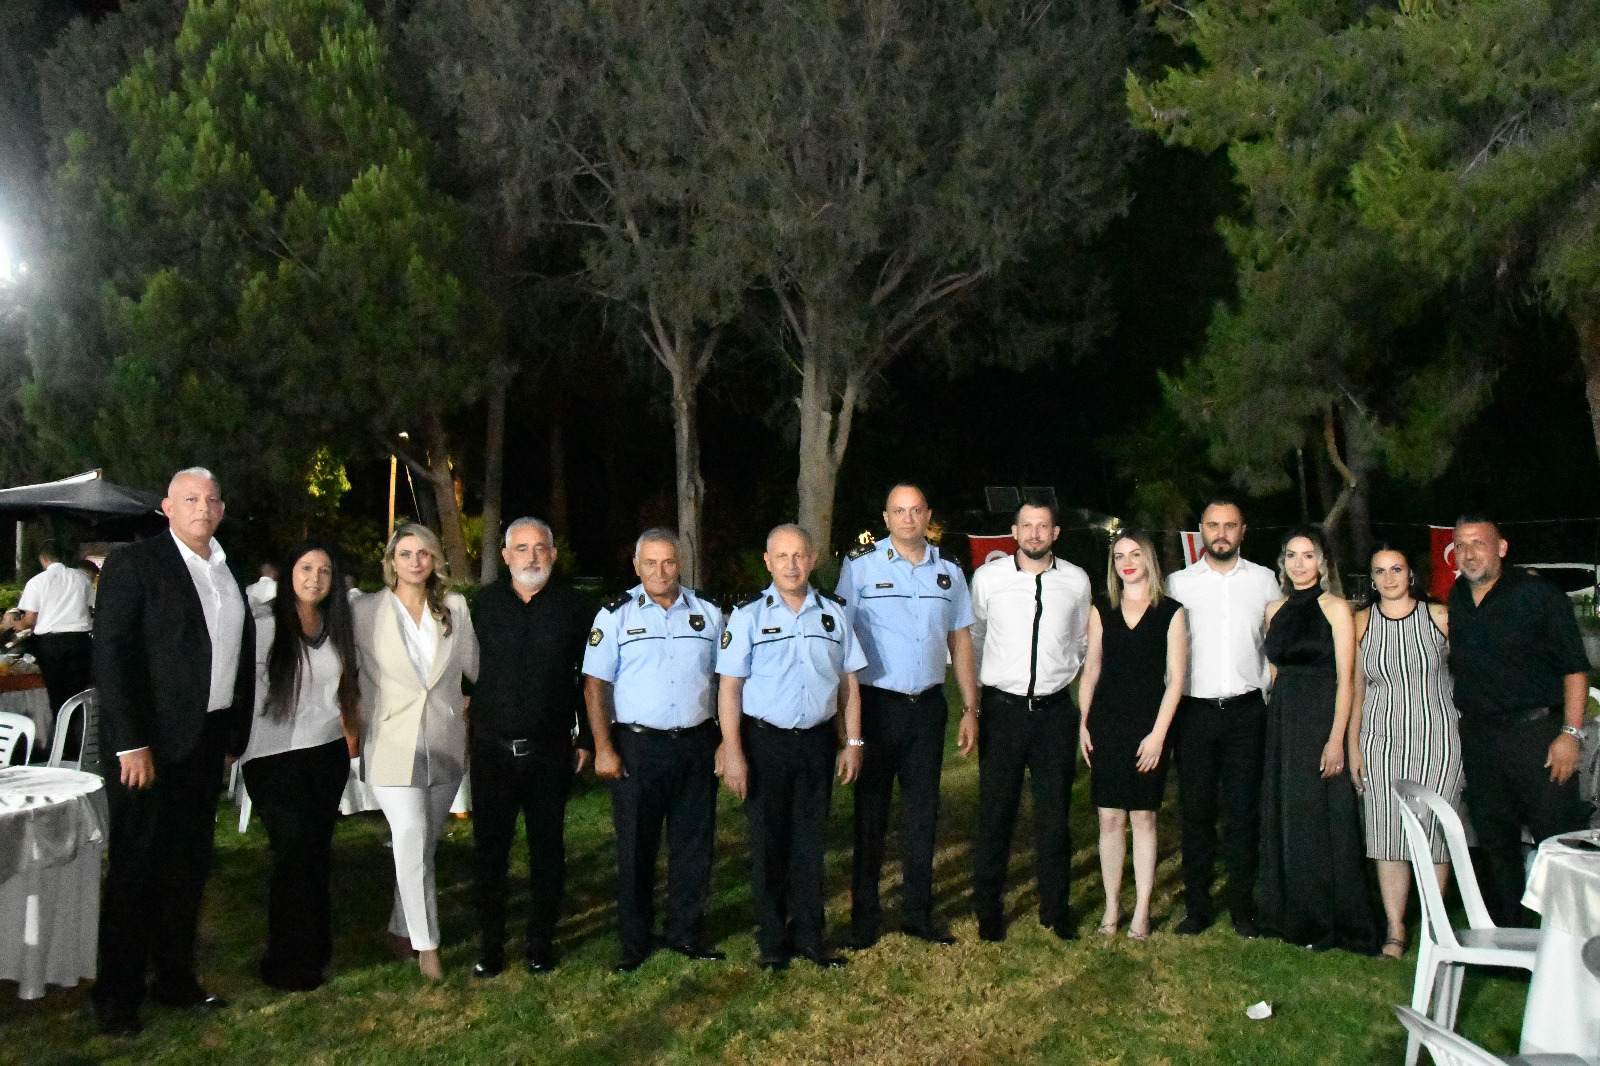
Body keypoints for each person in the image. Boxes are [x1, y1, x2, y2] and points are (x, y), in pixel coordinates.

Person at [91, 468, 255, 1037]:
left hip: (205, 741)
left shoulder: (227, 568)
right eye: (190, 499)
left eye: (211, 499)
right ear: (167, 507)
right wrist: (130, 742)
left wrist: (231, 736)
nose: (202, 508)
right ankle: (117, 996)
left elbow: (235, 652)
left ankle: (175, 978)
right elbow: (112, 658)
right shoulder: (135, 565)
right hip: (149, 745)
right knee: (136, 869)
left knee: (187, 868)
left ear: (222, 509)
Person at [834, 484, 979, 949]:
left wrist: (970, 707)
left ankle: (918, 913)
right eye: (899, 511)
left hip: (928, 709)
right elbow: (841, 639)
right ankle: (864, 918)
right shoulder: (860, 566)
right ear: (886, 517)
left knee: (922, 815)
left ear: (928, 515)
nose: (908, 518)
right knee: (870, 816)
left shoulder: (949, 571)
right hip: (877, 708)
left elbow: (960, 640)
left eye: (916, 510)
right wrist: (846, 723)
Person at [716, 523, 866, 970]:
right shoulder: (748, 616)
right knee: (768, 843)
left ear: (813, 559)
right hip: (765, 744)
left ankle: (810, 936)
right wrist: (733, 751)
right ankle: (771, 940)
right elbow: (729, 688)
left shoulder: (833, 614)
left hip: (817, 743)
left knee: (810, 843)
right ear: (768, 562)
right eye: (782, 556)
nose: (792, 565)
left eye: (799, 555)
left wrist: (853, 741)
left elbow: (849, 683)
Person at [584, 528, 725, 971]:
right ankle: (635, 942)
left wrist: (726, 741)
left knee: (693, 845)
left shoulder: (708, 613)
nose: (660, 572)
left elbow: (726, 681)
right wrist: (603, 747)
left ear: (680, 564)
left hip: (697, 744)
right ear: (636, 566)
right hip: (638, 746)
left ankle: (686, 931)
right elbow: (594, 686)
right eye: (650, 563)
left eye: (668, 562)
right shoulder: (615, 615)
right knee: (635, 849)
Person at [1447, 515, 1592, 926]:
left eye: (1478, 543)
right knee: (1496, 843)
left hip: (1536, 737)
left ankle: (1567, 936)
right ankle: (1510, 935)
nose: (1469, 553)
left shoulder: (1538, 595)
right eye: (1461, 545)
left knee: (1556, 840)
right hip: (1480, 739)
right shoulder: (1457, 597)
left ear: (1501, 547)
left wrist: (1570, 734)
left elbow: (1575, 669)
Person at [468, 517, 594, 977]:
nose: (532, 557)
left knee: (547, 851)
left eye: (540, 548)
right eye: (521, 548)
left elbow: (590, 678)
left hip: (549, 750)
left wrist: (588, 737)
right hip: (491, 751)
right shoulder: (483, 606)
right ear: (505, 556)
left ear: (553, 555)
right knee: (490, 853)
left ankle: (540, 943)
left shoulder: (575, 607)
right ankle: (491, 946)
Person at [353, 523, 478, 981]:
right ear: (391, 561)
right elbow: (344, 670)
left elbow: (475, 667)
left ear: (434, 560)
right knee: (409, 836)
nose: (415, 561)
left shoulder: (455, 608)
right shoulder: (365, 610)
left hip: (444, 743)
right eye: (405, 554)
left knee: (423, 845)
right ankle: (428, 949)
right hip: (390, 742)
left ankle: (399, 926)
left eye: (423, 553)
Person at [966, 496, 1092, 943]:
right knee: (995, 816)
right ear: (1014, 532)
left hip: (1055, 715)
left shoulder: (1076, 580)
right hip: (1003, 713)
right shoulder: (988, 578)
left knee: (1054, 819)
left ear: (1055, 533)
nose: (1035, 533)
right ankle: (988, 910)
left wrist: (1064, 674)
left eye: (1043, 526)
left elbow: (1081, 640)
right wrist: (977, 700)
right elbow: (975, 637)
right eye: (1027, 525)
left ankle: (1055, 909)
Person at [238, 540, 360, 991]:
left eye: (325, 571)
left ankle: (315, 948)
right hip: (272, 757)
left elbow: (346, 686)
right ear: (289, 572)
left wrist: (351, 732)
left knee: (316, 851)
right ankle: (285, 959)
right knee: (293, 852)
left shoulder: (336, 625)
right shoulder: (263, 624)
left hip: (326, 753)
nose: (315, 578)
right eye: (306, 568)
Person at [1257, 526, 1377, 953]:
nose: (1299, 563)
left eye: (1308, 555)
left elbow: (1348, 678)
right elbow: (1275, 672)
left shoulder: (1336, 608)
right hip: (1284, 719)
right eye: (1292, 555)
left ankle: (1328, 918)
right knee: (1288, 814)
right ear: (1283, 562)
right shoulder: (1274, 609)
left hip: (1322, 716)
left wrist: (1336, 739)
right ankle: (1291, 912)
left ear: (1322, 562)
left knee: (1320, 817)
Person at [1165, 497, 1282, 937]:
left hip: (1246, 712)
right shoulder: (1178, 584)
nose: (1221, 534)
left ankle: (1242, 906)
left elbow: (1276, 641)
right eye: (1213, 525)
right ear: (1201, 530)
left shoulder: (1264, 581)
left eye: (1230, 525)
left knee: (1243, 813)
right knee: (1196, 812)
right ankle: (1197, 907)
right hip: (1193, 712)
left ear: (1243, 531)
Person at [1347, 545, 1461, 959]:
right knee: (1387, 832)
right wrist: (1353, 745)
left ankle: (1433, 923)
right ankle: (1395, 929)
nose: (1389, 577)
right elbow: (1357, 689)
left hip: (1438, 737)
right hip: (1381, 740)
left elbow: (1470, 672)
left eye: (1396, 568)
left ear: (1410, 574)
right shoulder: (1362, 622)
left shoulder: (1439, 616)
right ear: (1372, 580)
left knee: (1435, 832)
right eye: (1380, 571)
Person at [1078, 530, 1186, 941]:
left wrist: (1158, 735)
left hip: (1149, 726)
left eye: (1135, 554)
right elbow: (1091, 670)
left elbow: (1175, 679)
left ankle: (1141, 911)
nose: (1127, 562)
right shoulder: (1101, 610)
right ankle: (1112, 907)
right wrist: (1083, 722)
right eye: (1119, 556)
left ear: (1149, 560)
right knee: (1109, 818)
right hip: (1106, 724)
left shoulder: (1170, 612)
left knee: (1143, 817)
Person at [9, 540, 96, 718]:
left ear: (43, 559)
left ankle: (61, 732)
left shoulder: (37, 582)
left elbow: (29, 620)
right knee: (78, 697)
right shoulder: (82, 578)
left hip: (52, 646)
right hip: (81, 643)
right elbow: (90, 609)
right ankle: (79, 731)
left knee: (57, 698)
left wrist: (14, 625)